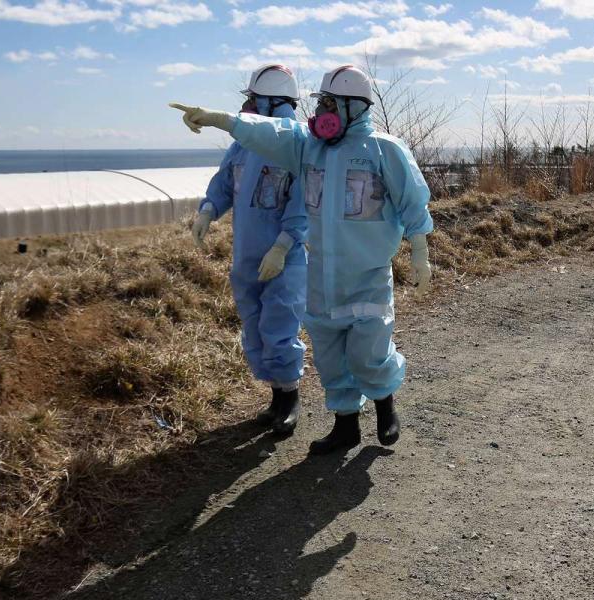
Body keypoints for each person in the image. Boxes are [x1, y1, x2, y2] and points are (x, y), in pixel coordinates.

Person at [171, 64, 433, 455]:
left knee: (368, 351)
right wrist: (223, 121)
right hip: (321, 274)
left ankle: (385, 405)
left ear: (355, 108)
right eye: (322, 102)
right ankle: (345, 427)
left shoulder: (384, 149)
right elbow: (272, 133)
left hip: (367, 273)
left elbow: (413, 200)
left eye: (331, 102)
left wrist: (420, 250)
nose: (323, 110)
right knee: (329, 354)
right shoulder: (308, 148)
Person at [192, 64, 307, 434]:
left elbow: (304, 201)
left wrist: (284, 244)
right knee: (256, 325)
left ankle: (289, 399)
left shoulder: (297, 143)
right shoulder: (244, 143)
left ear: (275, 102)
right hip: (246, 253)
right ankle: (276, 397)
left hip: (284, 256)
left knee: (280, 324)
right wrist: (209, 209)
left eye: (255, 99)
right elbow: (226, 181)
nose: (249, 105)